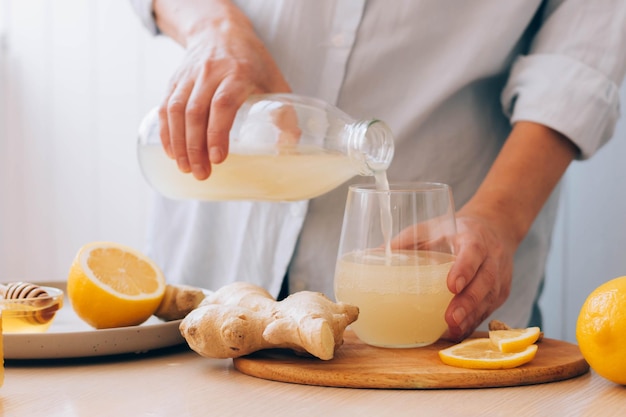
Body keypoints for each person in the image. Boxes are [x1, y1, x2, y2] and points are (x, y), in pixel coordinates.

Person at [130, 0, 626, 341]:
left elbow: (579, 58)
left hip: (444, 288)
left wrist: (498, 216)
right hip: (213, 273)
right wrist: (216, 32)